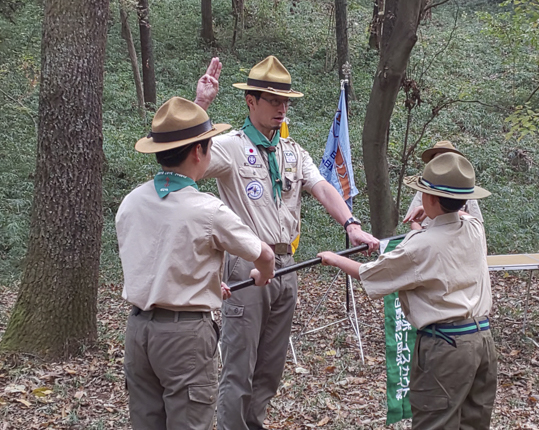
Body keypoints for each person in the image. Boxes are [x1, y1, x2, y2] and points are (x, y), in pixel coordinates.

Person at [194, 55, 379, 430]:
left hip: (286, 265)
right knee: (238, 366)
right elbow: (191, 161)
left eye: (285, 101)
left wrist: (352, 224)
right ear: (251, 101)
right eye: (273, 100)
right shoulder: (230, 146)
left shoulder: (291, 151)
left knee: (270, 367)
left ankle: (254, 424)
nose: (282, 108)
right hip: (245, 262)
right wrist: (201, 106)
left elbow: (323, 187)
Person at [116, 97, 276, 430]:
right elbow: (265, 254)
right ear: (198, 153)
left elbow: (153, 259)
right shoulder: (207, 209)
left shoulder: (132, 202)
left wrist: (203, 283)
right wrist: (263, 275)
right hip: (185, 336)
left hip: (137, 331)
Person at [318, 152, 497, 429]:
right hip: (482, 340)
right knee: (473, 422)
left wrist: (333, 257)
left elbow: (371, 273)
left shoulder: (421, 245)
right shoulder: (474, 229)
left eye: (424, 193)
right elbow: (455, 219)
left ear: (431, 199)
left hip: (445, 347)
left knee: (435, 422)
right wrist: (427, 218)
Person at [403, 141, 484, 230]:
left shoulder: (464, 190)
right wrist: (424, 237)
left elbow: (476, 222)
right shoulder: (424, 188)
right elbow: (414, 221)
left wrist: (428, 210)